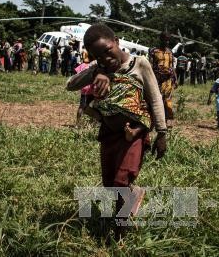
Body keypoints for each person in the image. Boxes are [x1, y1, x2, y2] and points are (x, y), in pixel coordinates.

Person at [66, 24, 167, 240]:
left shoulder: (139, 64)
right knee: (110, 185)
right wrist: (98, 70)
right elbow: (70, 85)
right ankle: (135, 195)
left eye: (107, 50)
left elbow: (155, 98)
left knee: (121, 183)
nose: (105, 57)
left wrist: (162, 132)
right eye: (96, 55)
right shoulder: (100, 68)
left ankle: (120, 234)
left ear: (117, 42)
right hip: (109, 134)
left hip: (133, 135)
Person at [149, 32, 177, 128]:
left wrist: (175, 79)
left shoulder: (170, 52)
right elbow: (151, 66)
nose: (167, 42)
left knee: (168, 99)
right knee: (156, 99)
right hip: (156, 80)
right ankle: (154, 119)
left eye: (168, 40)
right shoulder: (154, 51)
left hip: (168, 80)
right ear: (161, 39)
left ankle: (168, 119)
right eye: (165, 39)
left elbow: (172, 67)